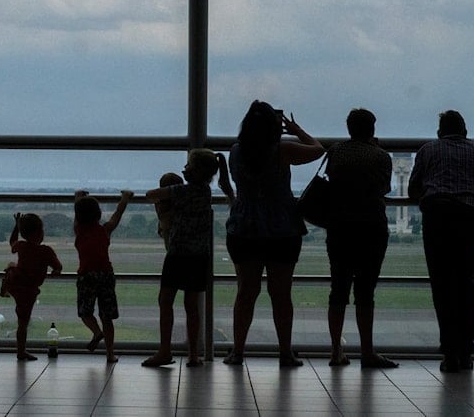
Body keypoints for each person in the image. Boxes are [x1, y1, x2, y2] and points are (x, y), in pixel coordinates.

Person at [223, 100, 323, 367]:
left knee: (246, 292)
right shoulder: (283, 150)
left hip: (244, 228)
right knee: (281, 294)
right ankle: (285, 352)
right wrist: (296, 129)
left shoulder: (236, 152)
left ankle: (238, 351)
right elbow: (318, 150)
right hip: (282, 229)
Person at [408, 110, 474, 373]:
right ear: (465, 131)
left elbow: (414, 190)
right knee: (465, 285)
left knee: (442, 287)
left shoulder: (427, 150)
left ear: (439, 132)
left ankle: (450, 352)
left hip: (438, 219)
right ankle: (466, 350)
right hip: (471, 221)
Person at [141, 149, 234, 368]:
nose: (185, 169)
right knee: (192, 306)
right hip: (199, 256)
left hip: (178, 253)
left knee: (165, 301)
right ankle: (194, 354)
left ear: (197, 170)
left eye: (189, 165)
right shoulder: (204, 193)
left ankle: (165, 350)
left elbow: (151, 195)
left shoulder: (182, 191)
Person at [324, 109, 398, 369]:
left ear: (349, 128)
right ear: (373, 129)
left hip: (339, 227)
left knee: (338, 290)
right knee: (365, 292)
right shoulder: (380, 156)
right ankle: (367, 351)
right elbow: (385, 188)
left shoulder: (335, 151)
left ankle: (336, 350)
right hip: (370, 227)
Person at [73, 189, 133, 363]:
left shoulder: (79, 230)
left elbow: (77, 215)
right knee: (107, 316)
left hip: (86, 275)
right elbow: (117, 214)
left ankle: (96, 332)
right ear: (98, 214)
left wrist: (78, 198)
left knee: (85, 312)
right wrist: (125, 198)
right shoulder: (105, 230)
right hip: (106, 274)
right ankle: (110, 353)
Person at [0, 212, 63, 361]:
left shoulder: (21, 246)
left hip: (17, 283)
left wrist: (16, 226)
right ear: (39, 232)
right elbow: (58, 266)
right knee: (23, 323)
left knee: (12, 268)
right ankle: (21, 351)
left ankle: (6, 285)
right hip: (28, 290)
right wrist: (56, 271)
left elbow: (12, 242)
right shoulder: (46, 251)